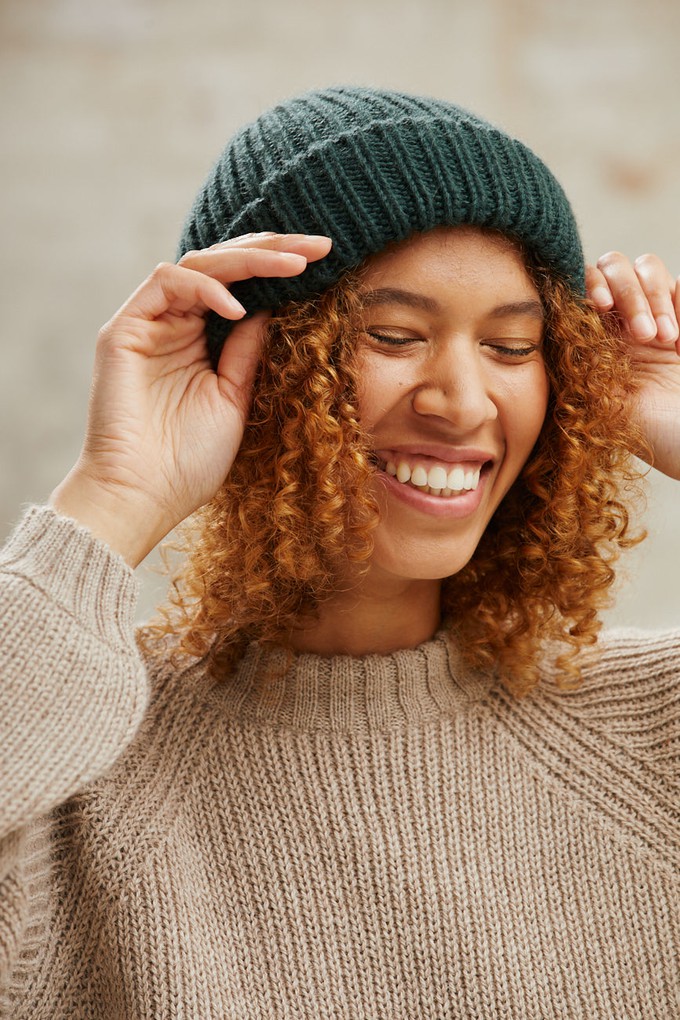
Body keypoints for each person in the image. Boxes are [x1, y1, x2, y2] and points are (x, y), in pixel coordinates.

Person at [1, 86, 678, 1018]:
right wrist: (115, 494)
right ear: (259, 361)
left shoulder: (652, 738)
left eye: (514, 347)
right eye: (393, 336)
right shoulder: (79, 771)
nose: (463, 400)